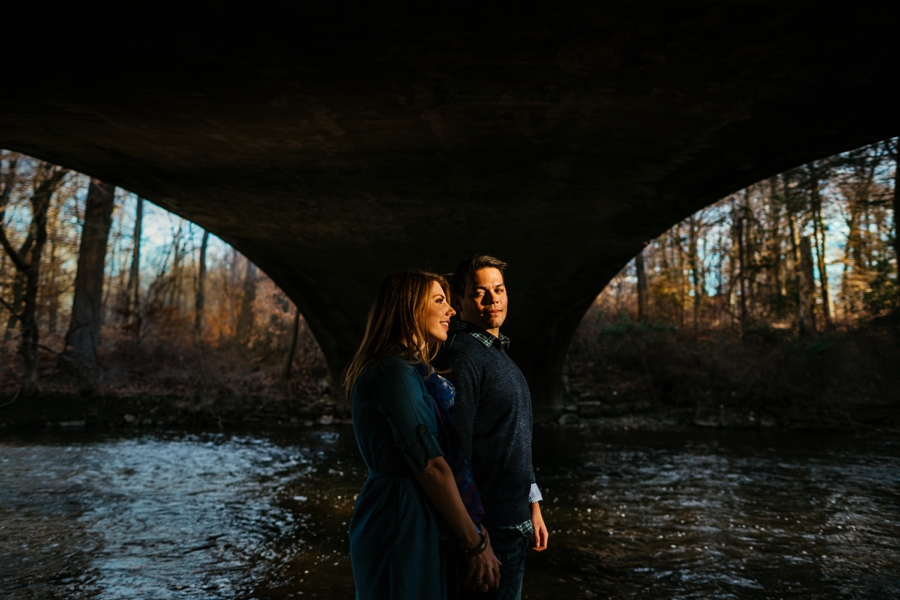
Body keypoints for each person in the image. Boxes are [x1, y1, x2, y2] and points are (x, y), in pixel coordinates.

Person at [345, 270, 502, 599]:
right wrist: (475, 545)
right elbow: (431, 466)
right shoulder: (394, 373)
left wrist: (473, 528)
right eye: (440, 300)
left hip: (416, 515)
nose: (452, 310)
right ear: (410, 308)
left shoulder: (409, 373)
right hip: (401, 519)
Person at [436, 255, 550, 600]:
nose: (492, 300)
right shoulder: (464, 357)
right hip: (490, 533)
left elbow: (514, 436)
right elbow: (457, 453)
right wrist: (474, 539)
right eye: (480, 293)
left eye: (498, 290)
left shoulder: (497, 353)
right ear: (460, 301)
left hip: (513, 524)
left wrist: (533, 504)